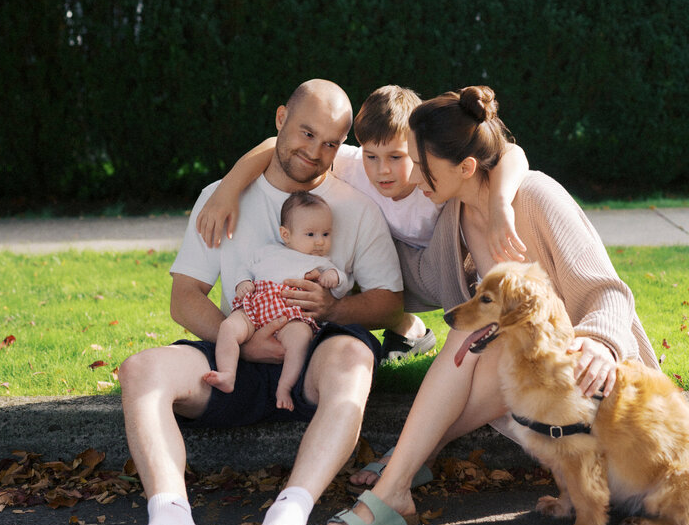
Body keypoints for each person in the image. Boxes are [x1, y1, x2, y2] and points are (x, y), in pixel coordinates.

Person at [93, 80, 404, 525]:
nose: (315, 151)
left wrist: (333, 310)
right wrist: (239, 340)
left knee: (353, 354)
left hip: (314, 360)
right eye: (306, 132)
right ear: (280, 118)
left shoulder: (356, 207)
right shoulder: (222, 198)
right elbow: (185, 298)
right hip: (235, 354)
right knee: (142, 368)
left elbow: (389, 302)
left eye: (331, 142)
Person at [318, 85, 661, 525]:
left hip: (596, 386)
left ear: (463, 168)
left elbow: (608, 291)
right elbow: (411, 280)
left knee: (483, 340)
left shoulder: (536, 198)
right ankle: (401, 475)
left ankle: (396, 481)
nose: (411, 175)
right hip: (542, 389)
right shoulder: (454, 218)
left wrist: (601, 343)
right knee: (479, 337)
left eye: (420, 164)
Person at [196, 84, 530, 365]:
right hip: (408, 273)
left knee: (464, 207)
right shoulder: (352, 164)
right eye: (372, 156)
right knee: (341, 250)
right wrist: (227, 190)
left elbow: (508, 153)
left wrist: (500, 205)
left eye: (397, 158)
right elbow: (275, 144)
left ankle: (499, 330)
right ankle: (406, 326)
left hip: (455, 265)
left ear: (415, 149)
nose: (382, 170)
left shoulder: (431, 171)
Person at [205, 191, 352, 410]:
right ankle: (227, 373)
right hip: (256, 305)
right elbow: (244, 267)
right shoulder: (267, 252)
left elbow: (342, 281)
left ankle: (285, 386)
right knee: (228, 327)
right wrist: (243, 282)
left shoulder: (320, 262)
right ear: (286, 234)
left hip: (290, 314)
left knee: (300, 339)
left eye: (326, 234)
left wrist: (333, 277)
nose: (320, 241)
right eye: (310, 234)